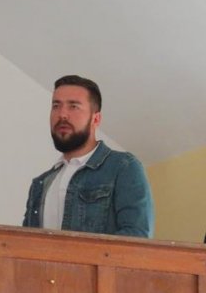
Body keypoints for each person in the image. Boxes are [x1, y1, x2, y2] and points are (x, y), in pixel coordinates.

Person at [23, 75, 154, 237]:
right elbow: (24, 244)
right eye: (56, 106)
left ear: (96, 119)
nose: (62, 114)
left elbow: (137, 237)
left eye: (73, 106)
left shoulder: (123, 167)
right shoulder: (40, 183)